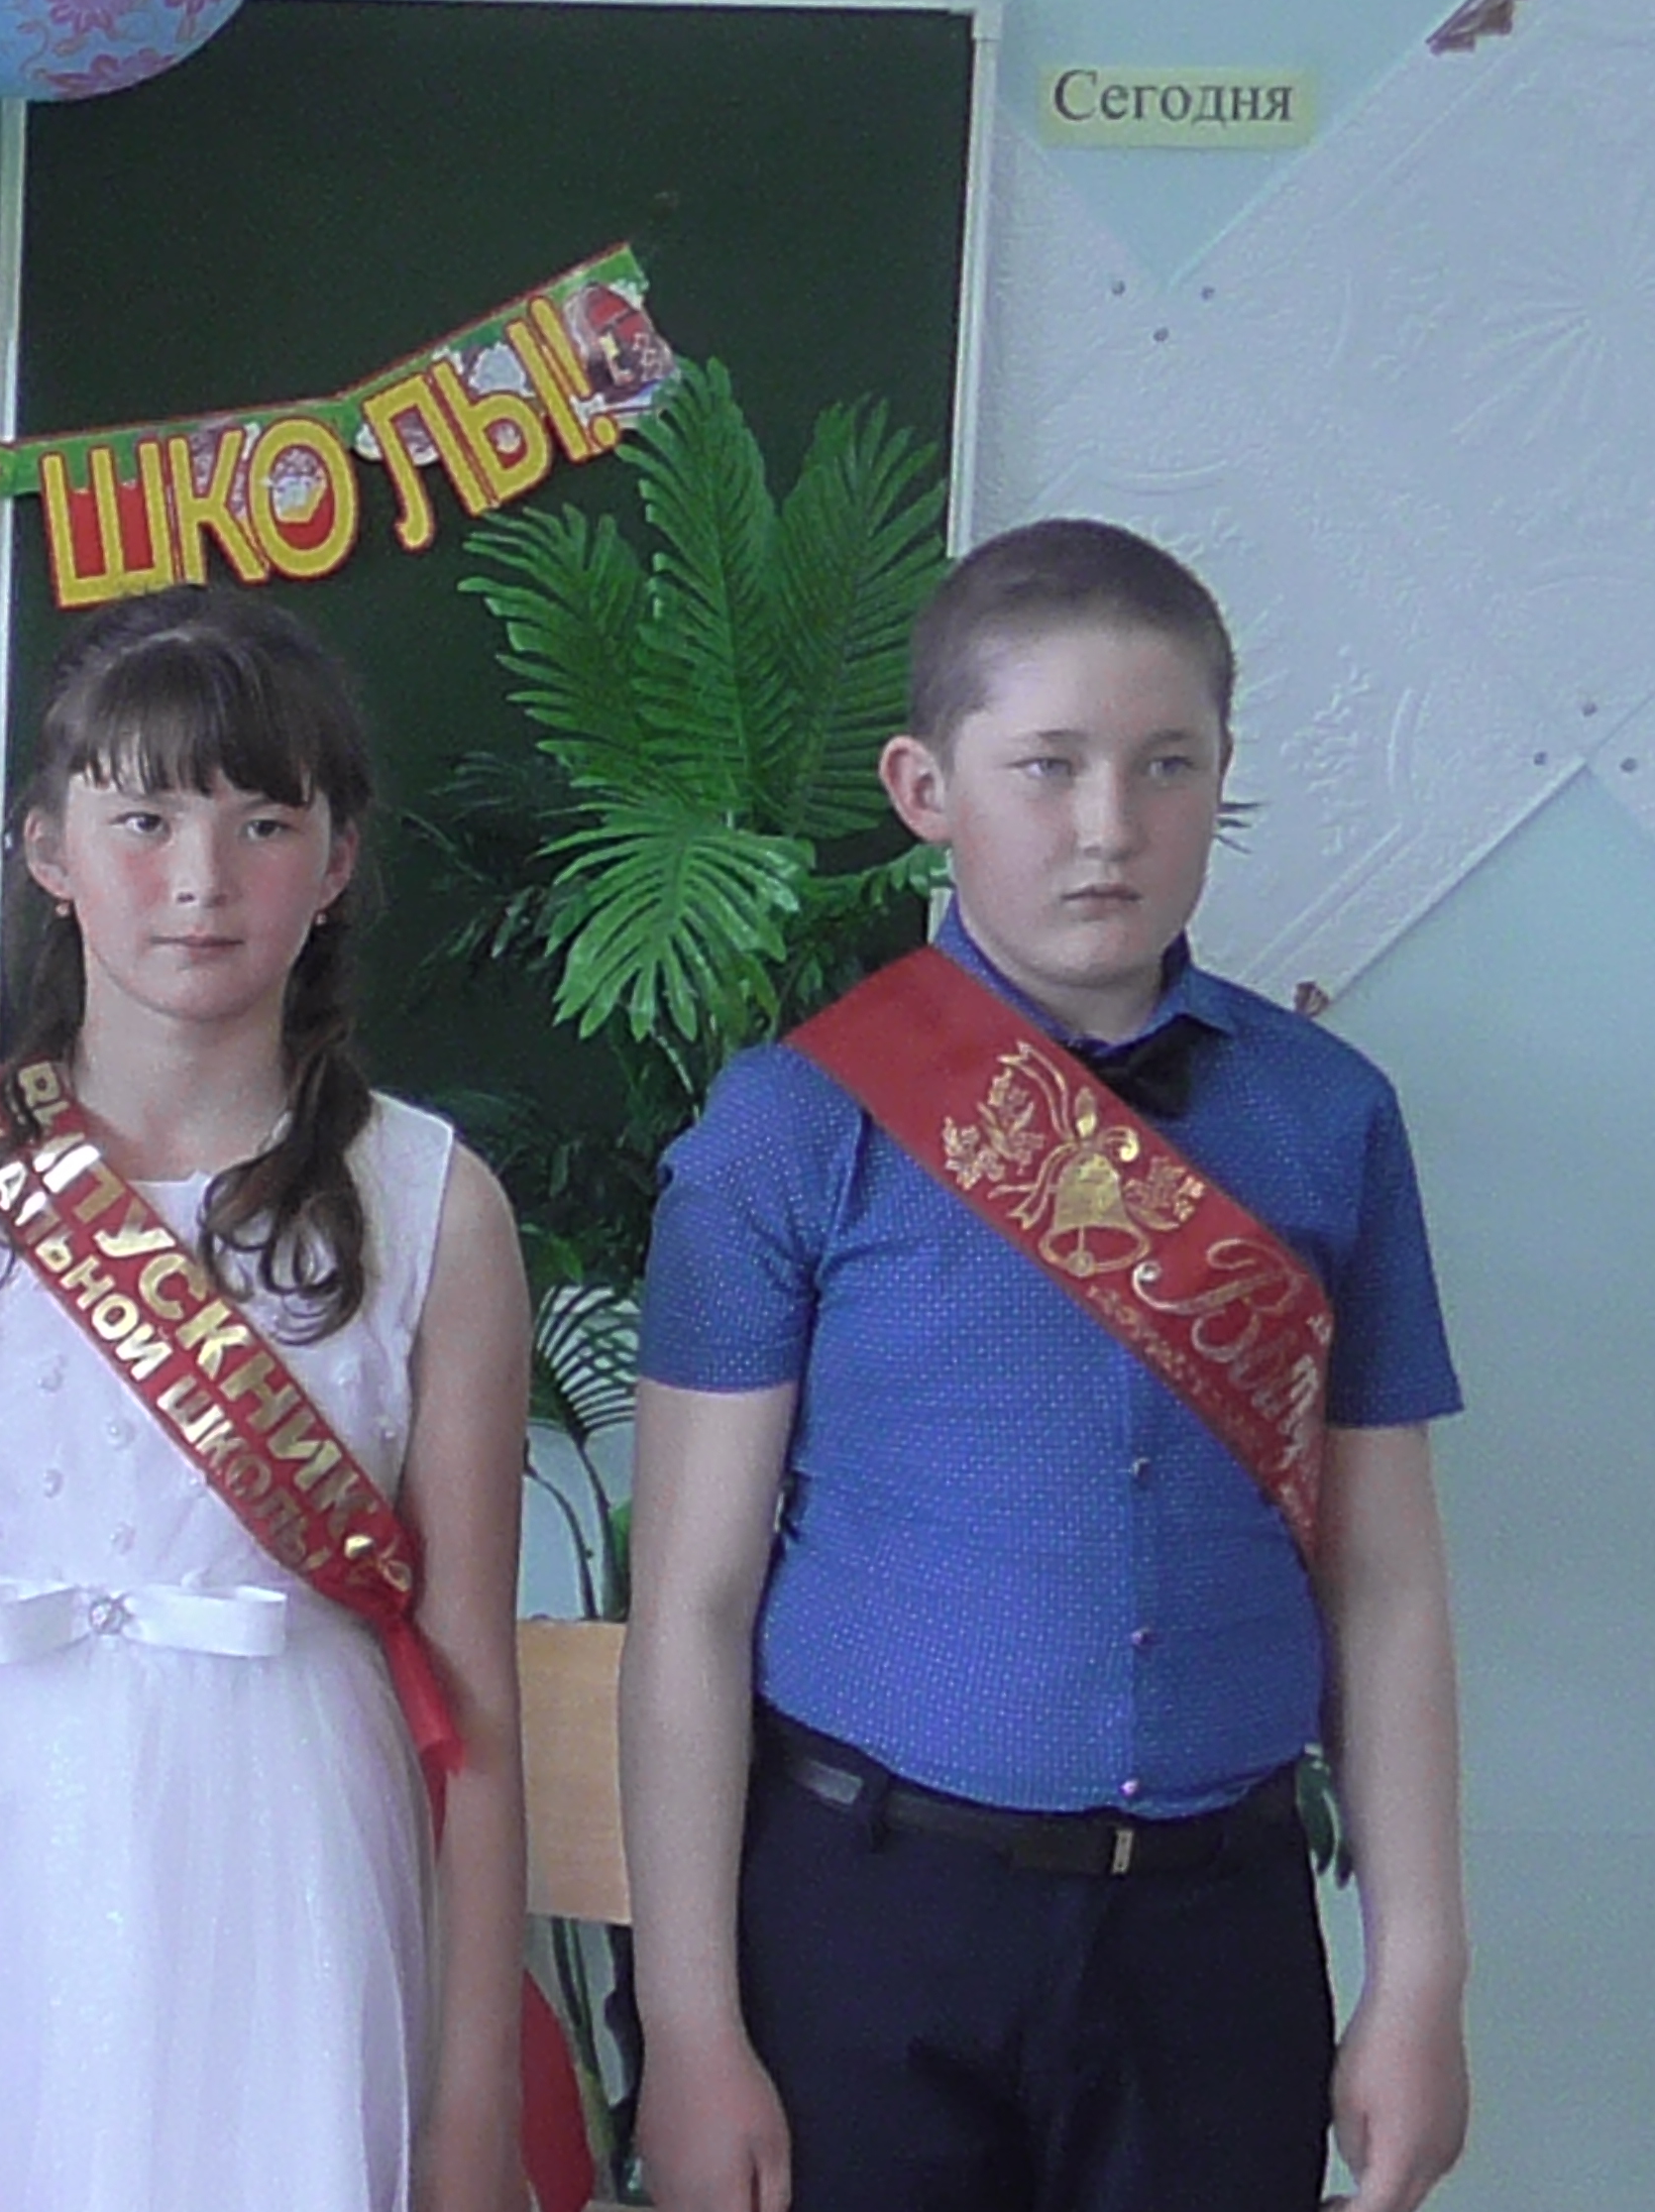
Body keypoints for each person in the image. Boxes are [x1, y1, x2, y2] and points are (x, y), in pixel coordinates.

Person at [624, 518, 1471, 2212]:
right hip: (870, 1925)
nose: (1109, 826)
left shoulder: (1329, 1119)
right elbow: (693, 1609)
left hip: (1216, 1938)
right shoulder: (790, 1127)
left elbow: (1384, 1586)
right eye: (1048, 765)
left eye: (1167, 766)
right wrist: (692, 2028)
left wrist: (1422, 1977)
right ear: (925, 787)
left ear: (1222, 775)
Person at [0, 587, 534, 2212]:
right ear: (47, 849)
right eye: (144, 820)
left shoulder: (434, 1201)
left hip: (299, 1846)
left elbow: (473, 1674)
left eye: (264, 823)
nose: (202, 879)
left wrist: (473, 2091)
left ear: (335, 864)